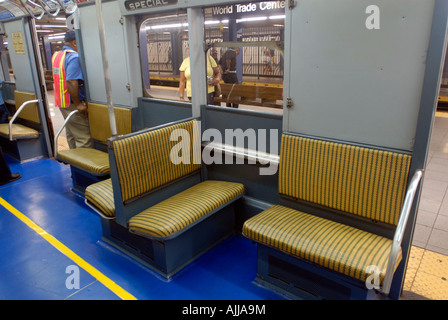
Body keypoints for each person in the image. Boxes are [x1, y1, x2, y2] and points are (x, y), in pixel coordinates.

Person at [52, 30, 92, 149]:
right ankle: (83, 166)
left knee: (71, 134)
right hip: (72, 103)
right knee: (83, 138)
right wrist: (78, 104)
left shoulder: (58, 55)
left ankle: (74, 165)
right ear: (75, 42)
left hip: (62, 101)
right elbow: (71, 81)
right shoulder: (74, 57)